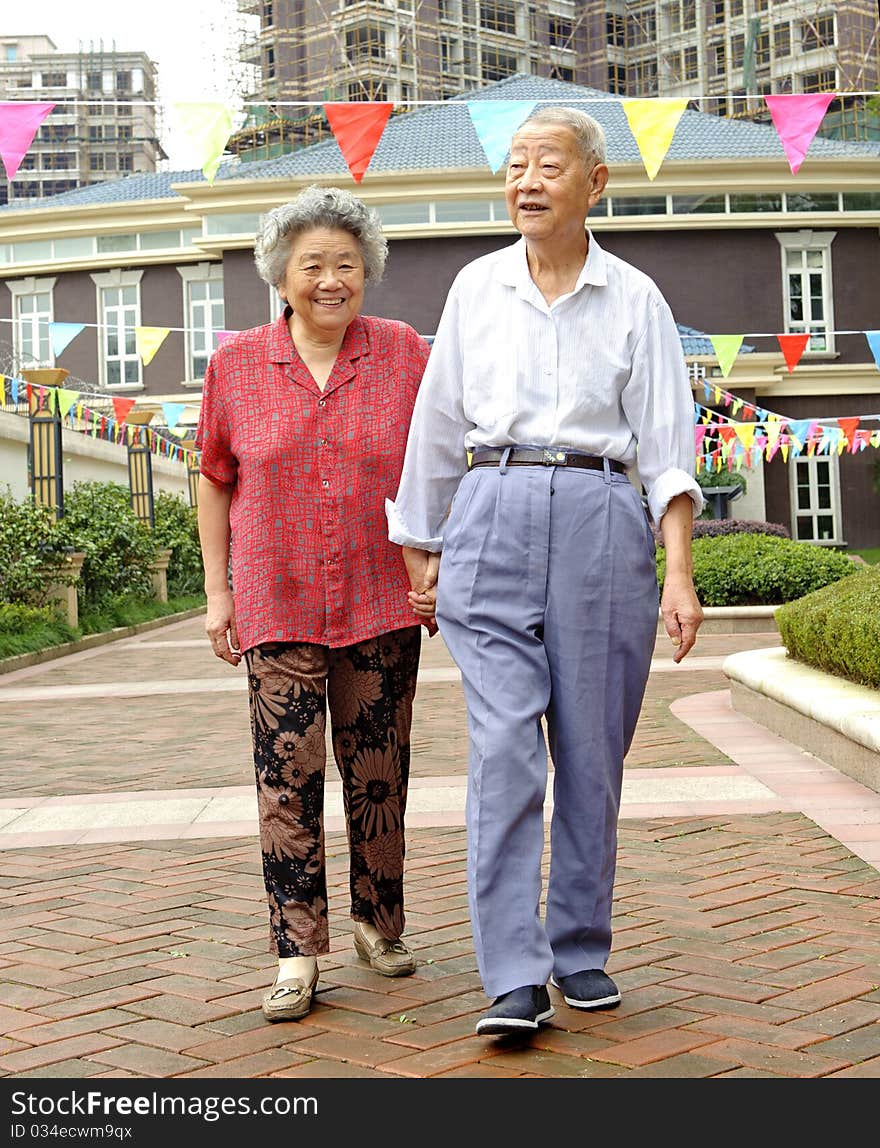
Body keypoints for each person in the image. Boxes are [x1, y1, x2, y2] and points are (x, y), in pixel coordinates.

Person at [387, 106, 704, 1036]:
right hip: (493, 508)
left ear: (595, 183)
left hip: (606, 515)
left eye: (549, 164)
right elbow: (438, 425)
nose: (527, 180)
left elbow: (668, 451)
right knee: (505, 750)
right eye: (516, 163)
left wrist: (677, 573)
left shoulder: (637, 298)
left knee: (592, 752)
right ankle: (513, 974)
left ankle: (579, 946)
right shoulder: (475, 289)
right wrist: (422, 547)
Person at [196, 185, 433, 1024]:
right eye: (313, 266)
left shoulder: (404, 352)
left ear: (366, 270)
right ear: (281, 276)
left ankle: (379, 923)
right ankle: (297, 953)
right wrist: (219, 592)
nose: (332, 279)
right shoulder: (236, 366)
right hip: (277, 598)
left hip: (380, 595)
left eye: (346, 264)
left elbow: (436, 465)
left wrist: (431, 559)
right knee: (284, 780)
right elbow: (216, 480)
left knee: (378, 773)